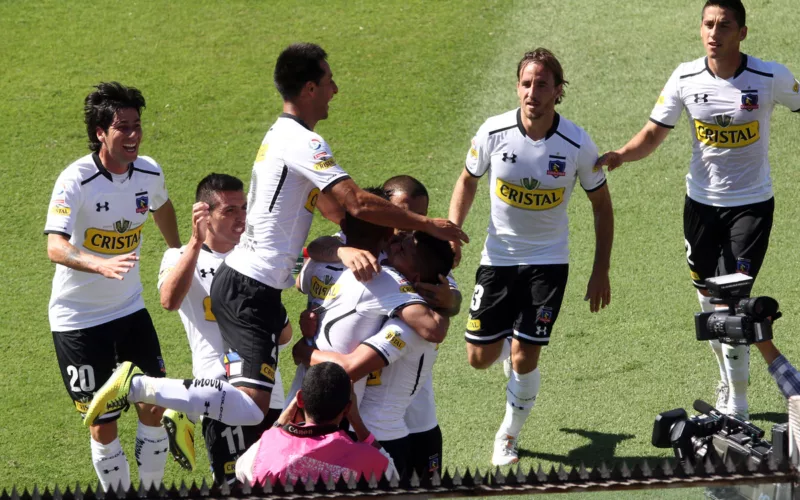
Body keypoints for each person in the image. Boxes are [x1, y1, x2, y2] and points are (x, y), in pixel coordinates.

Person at [207, 42, 468, 449]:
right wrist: (427, 223)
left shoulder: (282, 138)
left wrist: (448, 297)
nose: (337, 89)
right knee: (255, 405)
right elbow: (355, 204)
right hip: (253, 285)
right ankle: (171, 398)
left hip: (256, 284)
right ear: (310, 88)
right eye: (330, 81)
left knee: (258, 407)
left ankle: (183, 400)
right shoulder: (303, 143)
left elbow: (336, 218)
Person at [594, 0, 800, 418]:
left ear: (742, 32)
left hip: (751, 207)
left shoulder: (770, 76)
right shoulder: (685, 77)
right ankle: (728, 383)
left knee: (731, 300)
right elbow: (653, 133)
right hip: (700, 208)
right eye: (708, 24)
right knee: (709, 305)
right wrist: (622, 155)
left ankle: (739, 404)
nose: (714, 33)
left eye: (724, 25)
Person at [448, 48, 614, 466]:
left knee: (527, 355)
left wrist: (600, 270)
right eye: (526, 83)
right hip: (498, 258)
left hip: (549, 262)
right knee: (479, 359)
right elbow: (467, 180)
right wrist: (452, 230)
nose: (532, 92)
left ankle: (507, 435)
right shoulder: (493, 132)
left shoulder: (576, 142)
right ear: (517, 87)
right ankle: (506, 345)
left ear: (558, 91)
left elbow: (602, 205)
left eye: (542, 84)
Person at [44, 82, 180, 491]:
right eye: (123, 127)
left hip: (129, 310)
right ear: (101, 132)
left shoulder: (149, 171)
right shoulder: (76, 181)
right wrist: (99, 264)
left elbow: (162, 205)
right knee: (102, 423)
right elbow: (55, 245)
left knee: (153, 405)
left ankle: (152, 490)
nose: (134, 135)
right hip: (78, 320)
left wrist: (178, 252)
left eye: (138, 125)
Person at [156, 174, 291, 482]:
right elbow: (169, 300)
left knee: (277, 484)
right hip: (219, 392)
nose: (241, 218)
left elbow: (284, 336)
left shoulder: (256, 261)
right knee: (233, 487)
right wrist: (194, 241)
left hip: (269, 392)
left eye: (243, 208)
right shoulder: (179, 257)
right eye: (229, 210)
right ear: (204, 214)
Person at [293, 231, 455, 477]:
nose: (394, 246)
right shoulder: (400, 311)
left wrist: (304, 350)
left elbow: (347, 369)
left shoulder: (409, 329)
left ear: (416, 277)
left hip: (383, 437)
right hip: (369, 432)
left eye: (403, 250)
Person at [235, 362, 390, 486]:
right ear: (348, 408)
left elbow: (241, 468)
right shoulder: (369, 460)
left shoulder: (265, 451)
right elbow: (392, 472)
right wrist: (357, 422)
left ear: (300, 399)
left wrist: (280, 421)